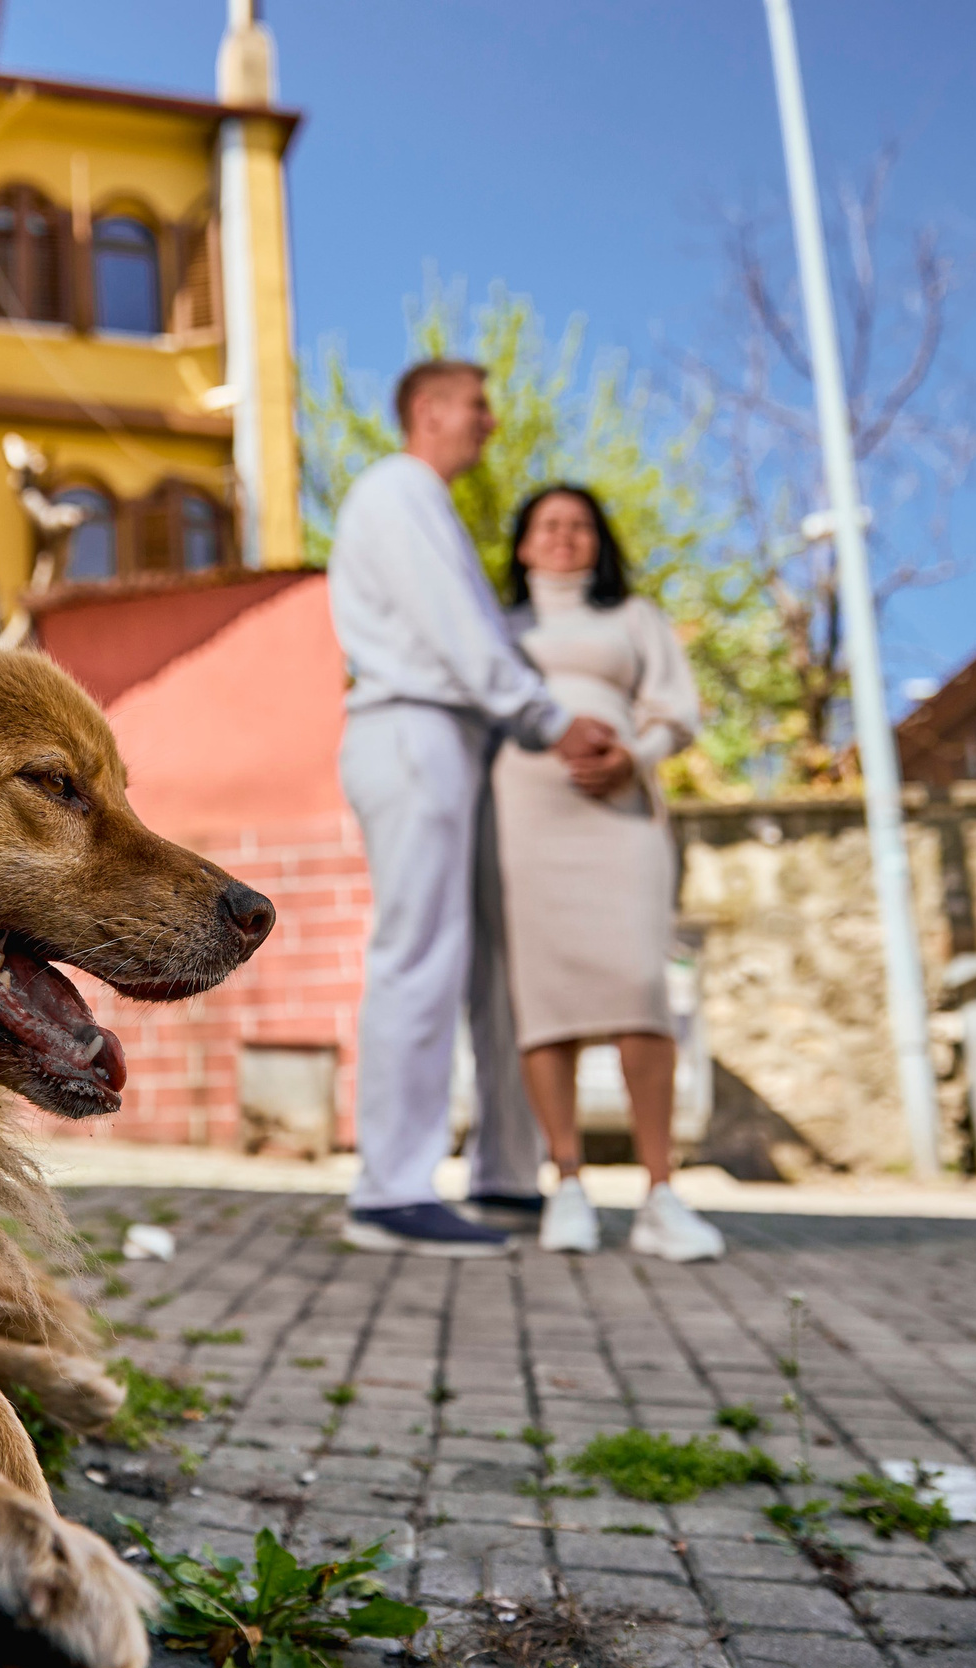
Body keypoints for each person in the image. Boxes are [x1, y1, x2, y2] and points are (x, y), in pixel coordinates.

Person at [328, 362, 623, 1256]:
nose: (491, 423)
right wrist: (550, 719)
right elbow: (459, 633)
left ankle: (504, 1170)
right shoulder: (400, 490)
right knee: (421, 951)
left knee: (489, 959)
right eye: (479, 406)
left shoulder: (424, 501)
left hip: (456, 741)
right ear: (430, 411)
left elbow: (474, 629)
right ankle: (391, 1188)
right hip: (415, 731)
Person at [491, 486, 725, 1261]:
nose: (565, 537)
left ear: (599, 541)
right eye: (548, 526)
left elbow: (678, 710)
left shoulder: (635, 619)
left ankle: (661, 1192)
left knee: (638, 990)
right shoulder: (502, 625)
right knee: (547, 999)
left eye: (580, 525)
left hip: (621, 820)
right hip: (528, 821)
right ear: (523, 545)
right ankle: (568, 1185)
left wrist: (635, 758)